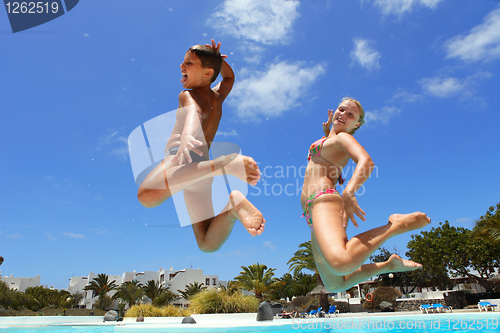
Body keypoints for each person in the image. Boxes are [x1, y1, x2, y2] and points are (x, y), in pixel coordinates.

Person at [137, 40, 265, 253]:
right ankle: (233, 207)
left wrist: (187, 136)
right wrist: (215, 58)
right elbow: (229, 77)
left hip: (181, 158)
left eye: (189, 63)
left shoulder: (188, 95)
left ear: (207, 73)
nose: (181, 66)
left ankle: (226, 164)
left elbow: (193, 113)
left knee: (147, 196)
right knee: (206, 243)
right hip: (200, 169)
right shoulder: (218, 97)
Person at [301, 97, 431, 292]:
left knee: (342, 263)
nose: (343, 114)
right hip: (312, 212)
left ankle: (394, 226)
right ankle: (389, 265)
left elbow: (366, 162)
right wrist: (327, 131)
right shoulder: (330, 138)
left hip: (324, 201)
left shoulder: (344, 138)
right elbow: (327, 154)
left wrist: (349, 191)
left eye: (350, 114)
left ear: (356, 124)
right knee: (336, 284)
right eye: (341, 109)